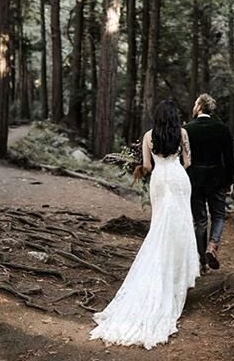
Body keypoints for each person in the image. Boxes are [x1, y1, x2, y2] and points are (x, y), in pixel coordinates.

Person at [89, 100, 200, 350]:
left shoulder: (149, 135)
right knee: (180, 226)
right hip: (180, 180)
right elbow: (188, 162)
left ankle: (163, 270)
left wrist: (141, 167)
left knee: (160, 226)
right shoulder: (182, 133)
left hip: (160, 180)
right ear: (175, 117)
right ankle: (176, 276)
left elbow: (148, 166)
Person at [184, 94, 234, 273]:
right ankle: (212, 246)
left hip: (194, 179)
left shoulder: (187, 129)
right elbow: (229, 158)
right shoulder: (221, 128)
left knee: (200, 220)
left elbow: (185, 158)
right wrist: (230, 181)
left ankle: (201, 263)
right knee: (219, 216)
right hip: (216, 178)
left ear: (198, 107)